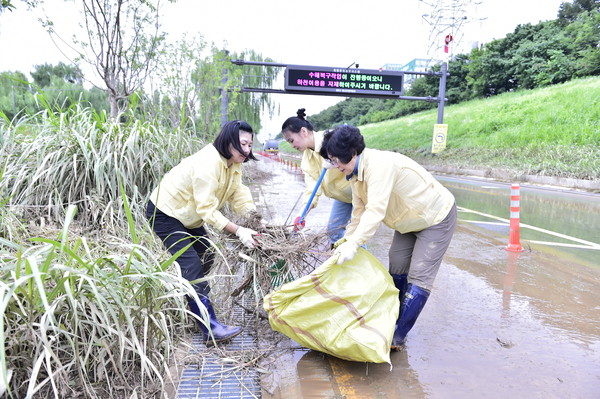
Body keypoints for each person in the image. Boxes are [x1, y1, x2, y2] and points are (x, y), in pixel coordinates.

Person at [320, 124, 457, 350]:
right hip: (407, 221)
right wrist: (344, 242)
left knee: (419, 275)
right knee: (397, 265)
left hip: (434, 217)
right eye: (332, 160)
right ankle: (389, 320)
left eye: (336, 160)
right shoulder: (354, 175)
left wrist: (355, 244)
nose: (335, 166)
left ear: (352, 153)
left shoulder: (379, 166)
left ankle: (396, 337)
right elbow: (358, 212)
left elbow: (375, 211)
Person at [146, 120, 261, 345]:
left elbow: (238, 192)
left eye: (250, 145)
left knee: (207, 254)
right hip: (165, 213)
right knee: (192, 266)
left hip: (188, 216)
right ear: (228, 141)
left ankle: (192, 305)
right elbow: (206, 209)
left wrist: (255, 220)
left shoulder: (233, 162)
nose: (247, 151)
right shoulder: (208, 164)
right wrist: (238, 231)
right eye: (243, 144)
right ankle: (209, 327)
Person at [281, 108, 353, 247]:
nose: (292, 145)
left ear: (303, 131)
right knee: (334, 231)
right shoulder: (307, 158)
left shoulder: (333, 139)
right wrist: (301, 215)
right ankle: (339, 262)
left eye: (291, 140)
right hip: (342, 197)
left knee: (357, 234)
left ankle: (362, 265)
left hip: (359, 192)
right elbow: (312, 190)